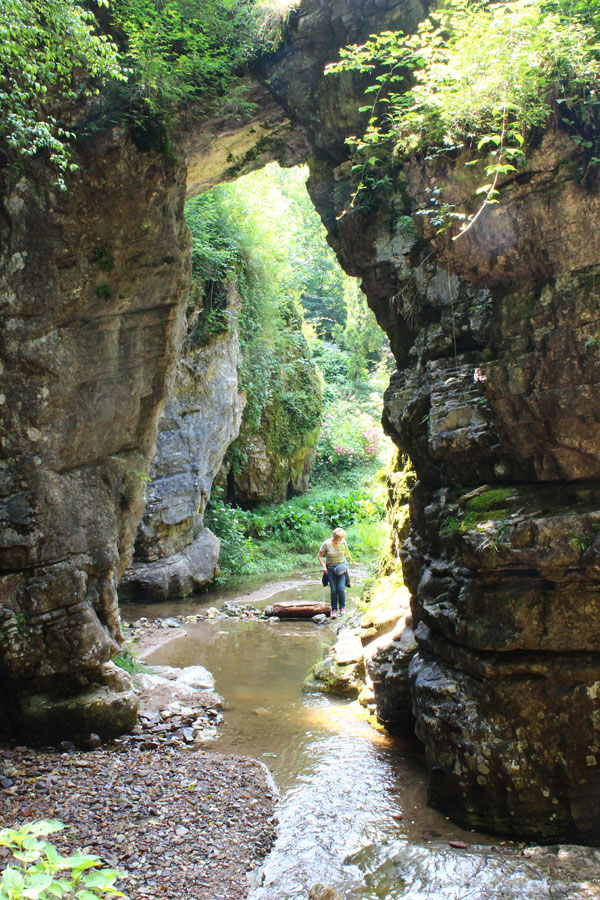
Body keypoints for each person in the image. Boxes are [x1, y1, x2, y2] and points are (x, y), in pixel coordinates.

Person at [318, 527, 352, 618]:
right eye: (339, 539)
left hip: (341, 569)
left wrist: (353, 562)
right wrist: (324, 567)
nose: (341, 540)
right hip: (330, 570)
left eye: (342, 538)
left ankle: (342, 608)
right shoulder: (326, 544)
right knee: (333, 590)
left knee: (340, 588)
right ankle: (334, 609)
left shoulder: (343, 542)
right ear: (335, 537)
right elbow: (320, 556)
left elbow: (347, 553)